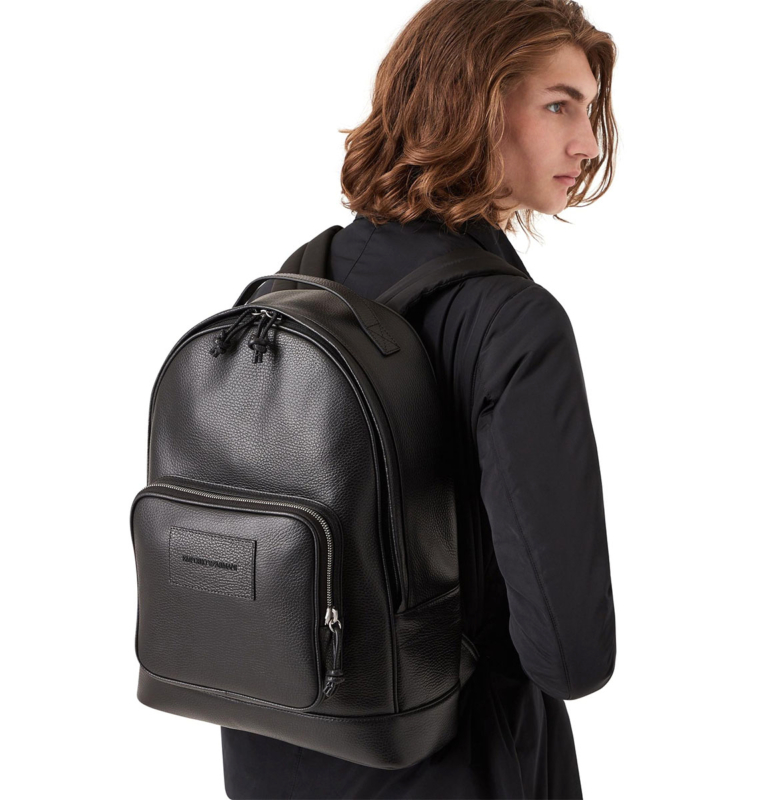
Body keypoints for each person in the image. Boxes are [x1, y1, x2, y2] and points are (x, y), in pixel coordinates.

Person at [221, 1, 617, 797]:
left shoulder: (292, 282)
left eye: (591, 109)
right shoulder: (513, 322)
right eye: (558, 105)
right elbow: (570, 656)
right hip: (456, 759)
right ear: (472, 104)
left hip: (273, 752)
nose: (589, 142)